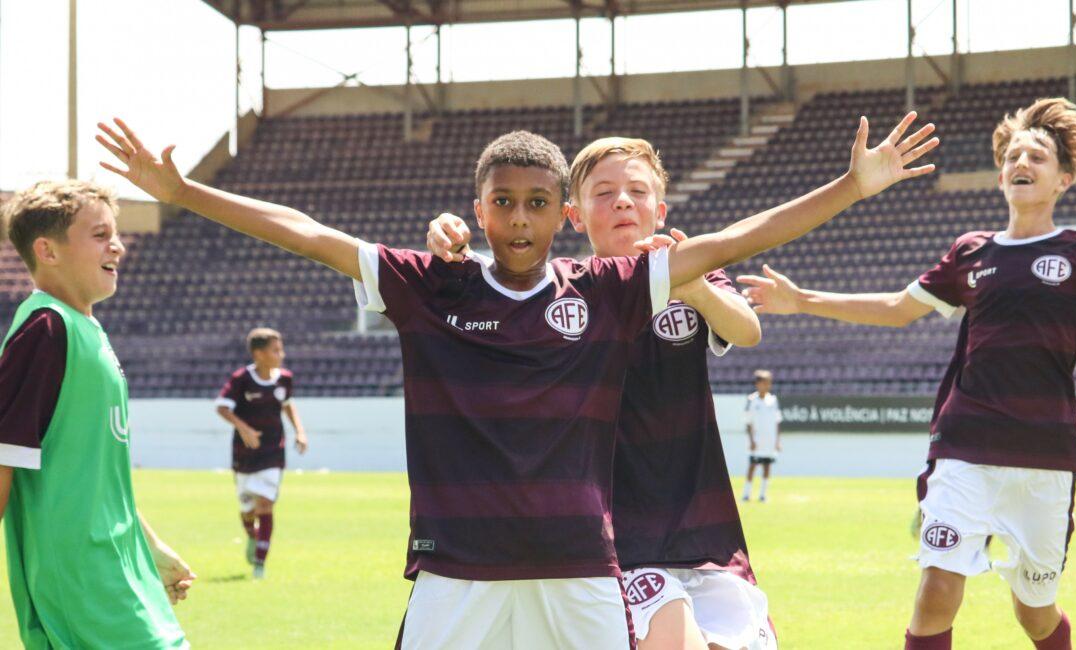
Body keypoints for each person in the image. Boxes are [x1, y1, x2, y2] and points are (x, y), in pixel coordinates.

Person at [97, 112, 935, 649]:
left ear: (553, 213)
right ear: (482, 207)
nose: (523, 219)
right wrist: (182, 193)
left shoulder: (602, 292)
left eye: (538, 201)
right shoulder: (433, 283)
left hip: (580, 568)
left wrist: (851, 187)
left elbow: (730, 245)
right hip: (457, 569)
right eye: (507, 202)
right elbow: (307, 232)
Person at [738, 97, 1076, 650]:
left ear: (1063, 178)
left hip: (1045, 458)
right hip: (965, 445)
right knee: (936, 590)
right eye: (1015, 154)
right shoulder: (972, 251)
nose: (1023, 162)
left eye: (1037, 156)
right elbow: (898, 308)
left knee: (1035, 612)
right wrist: (802, 301)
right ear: (1000, 175)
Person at [425, 136, 776, 649]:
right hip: (618, 540)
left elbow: (747, 330)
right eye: (604, 192)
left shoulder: (695, 272)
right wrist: (450, 239)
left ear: (661, 208)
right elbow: (495, 281)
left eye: (637, 190)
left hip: (706, 534)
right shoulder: (566, 290)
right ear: (574, 215)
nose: (623, 202)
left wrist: (692, 284)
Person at [0, 180, 193, 649]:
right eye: (100, 234)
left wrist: (149, 549)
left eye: (116, 233)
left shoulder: (87, 331)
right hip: (82, 582)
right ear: (47, 250)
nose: (119, 246)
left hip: (118, 572)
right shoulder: (45, 330)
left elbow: (94, 475)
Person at [215, 326, 308, 579]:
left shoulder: (284, 378)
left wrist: (299, 431)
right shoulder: (241, 379)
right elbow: (222, 407)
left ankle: (259, 564)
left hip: (272, 452)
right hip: (245, 454)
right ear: (258, 354)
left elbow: (287, 405)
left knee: (265, 504)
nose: (282, 354)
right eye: (275, 350)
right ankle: (251, 536)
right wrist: (244, 429)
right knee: (247, 508)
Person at [744, 369, 782, 503]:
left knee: (767, 466)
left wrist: (777, 441)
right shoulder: (752, 400)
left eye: (768, 383)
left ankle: (762, 494)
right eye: (764, 383)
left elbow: (777, 422)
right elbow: (748, 423)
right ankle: (746, 494)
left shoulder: (773, 400)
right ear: (757, 384)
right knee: (753, 465)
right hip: (757, 440)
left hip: (769, 440)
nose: (766, 386)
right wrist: (751, 440)